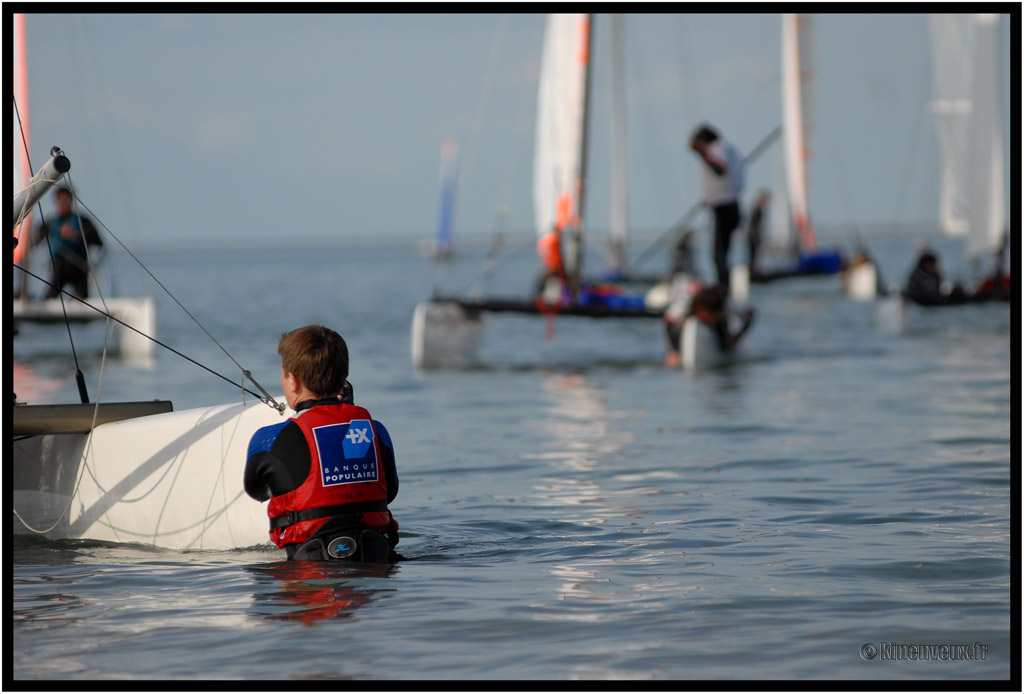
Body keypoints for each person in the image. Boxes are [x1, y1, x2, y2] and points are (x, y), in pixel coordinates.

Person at [245, 325, 401, 562]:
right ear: (343, 378)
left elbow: (256, 492)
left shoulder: (268, 440)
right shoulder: (375, 431)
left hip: (308, 571)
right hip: (377, 560)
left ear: (293, 381)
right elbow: (390, 493)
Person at [690, 124, 745, 292]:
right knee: (722, 254)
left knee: (719, 255)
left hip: (725, 207)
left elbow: (720, 169)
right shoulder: (729, 148)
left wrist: (701, 153)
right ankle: (724, 288)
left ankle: (723, 290)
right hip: (728, 205)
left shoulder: (718, 148)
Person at [32, 186, 104, 299]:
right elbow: (33, 242)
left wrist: (76, 235)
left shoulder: (83, 221)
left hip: (78, 267)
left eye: (65, 199)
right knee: (49, 298)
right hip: (59, 267)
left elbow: (99, 242)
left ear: (71, 200)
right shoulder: (51, 223)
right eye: (59, 199)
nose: (62, 203)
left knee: (82, 299)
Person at [664, 283, 755, 366]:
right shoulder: (685, 302)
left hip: (718, 319)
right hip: (690, 313)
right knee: (679, 325)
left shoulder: (726, 303)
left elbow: (749, 314)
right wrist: (674, 351)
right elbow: (669, 321)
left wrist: (738, 336)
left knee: (726, 344)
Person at [903, 248, 981, 306]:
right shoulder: (920, 279)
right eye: (934, 265)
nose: (937, 268)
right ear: (926, 265)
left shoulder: (922, 276)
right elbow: (932, 296)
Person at [746, 190, 769, 277]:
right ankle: (752, 271)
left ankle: (753, 269)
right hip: (753, 237)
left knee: (754, 254)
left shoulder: (757, 210)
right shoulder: (757, 210)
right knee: (753, 254)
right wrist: (757, 238)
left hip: (753, 236)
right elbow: (755, 226)